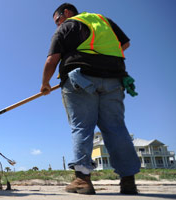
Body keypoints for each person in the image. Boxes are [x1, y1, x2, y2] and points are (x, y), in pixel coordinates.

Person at [40, 3, 141, 195]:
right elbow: (124, 44)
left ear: (66, 13)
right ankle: (128, 181)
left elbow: (52, 59)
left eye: (57, 20)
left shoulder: (67, 26)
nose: (57, 24)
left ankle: (82, 180)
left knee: (82, 127)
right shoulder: (103, 21)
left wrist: (45, 84)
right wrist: (103, 60)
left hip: (80, 79)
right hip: (114, 79)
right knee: (116, 128)